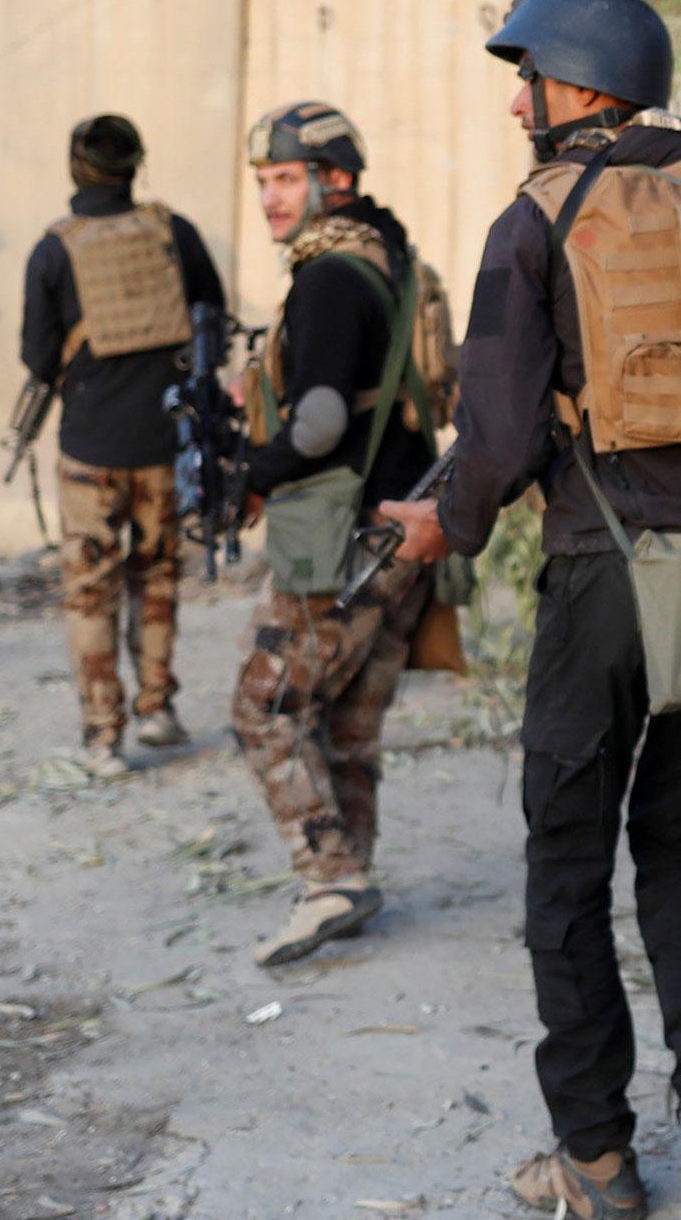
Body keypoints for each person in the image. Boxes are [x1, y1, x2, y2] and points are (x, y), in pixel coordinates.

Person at [380, 0, 681, 1218]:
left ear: (576, 86)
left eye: (529, 77)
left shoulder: (539, 214)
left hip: (600, 583)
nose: (519, 99)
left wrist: (441, 525)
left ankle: (595, 1161)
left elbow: (500, 434)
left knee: (565, 871)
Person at [231, 101, 454, 969]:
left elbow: (320, 421)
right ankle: (351, 872)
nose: (270, 199)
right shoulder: (388, 255)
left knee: (265, 705)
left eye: (285, 180)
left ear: (336, 181)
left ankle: (330, 879)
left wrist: (255, 473)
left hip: (346, 535)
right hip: (407, 526)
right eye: (262, 183)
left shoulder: (327, 275)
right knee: (350, 721)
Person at [19, 115, 225, 775]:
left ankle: (103, 737)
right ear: (136, 164)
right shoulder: (173, 231)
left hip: (90, 451)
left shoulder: (55, 250)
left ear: (76, 167)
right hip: (165, 443)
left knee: (90, 590)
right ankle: (157, 708)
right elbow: (211, 320)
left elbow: (36, 356)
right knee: (159, 577)